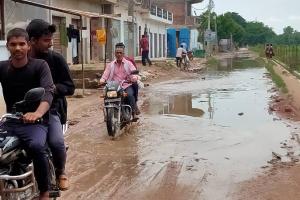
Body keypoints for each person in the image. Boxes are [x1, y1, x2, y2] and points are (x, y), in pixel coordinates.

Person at [0, 28, 55, 199]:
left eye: (21, 44)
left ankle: (44, 192)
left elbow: (48, 91)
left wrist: (37, 113)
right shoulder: (2, 67)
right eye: (13, 44)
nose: (18, 48)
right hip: (11, 121)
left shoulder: (40, 66)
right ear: (8, 46)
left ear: (28, 46)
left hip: (35, 122)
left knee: (36, 147)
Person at [26, 19, 75, 191]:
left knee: (56, 143)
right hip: (25, 112)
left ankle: (61, 171)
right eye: (46, 40)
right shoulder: (21, 60)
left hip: (52, 110)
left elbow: (70, 87)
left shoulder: (56, 59)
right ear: (32, 40)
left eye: (51, 39)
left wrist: (54, 89)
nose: (50, 44)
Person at [100, 43, 139, 118]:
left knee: (130, 95)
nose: (119, 54)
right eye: (117, 53)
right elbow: (105, 75)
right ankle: (108, 114)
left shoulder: (128, 63)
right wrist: (102, 80)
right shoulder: (110, 65)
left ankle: (133, 112)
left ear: (123, 54)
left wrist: (134, 77)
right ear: (115, 54)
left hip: (126, 85)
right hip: (114, 86)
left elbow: (134, 72)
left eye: (120, 53)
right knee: (107, 97)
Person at [115, 42, 140, 115]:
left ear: (123, 50)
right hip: (117, 84)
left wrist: (133, 77)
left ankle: (134, 105)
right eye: (117, 49)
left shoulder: (129, 61)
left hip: (128, 81)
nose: (119, 53)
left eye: (121, 49)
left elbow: (134, 70)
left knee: (135, 85)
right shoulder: (112, 63)